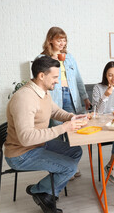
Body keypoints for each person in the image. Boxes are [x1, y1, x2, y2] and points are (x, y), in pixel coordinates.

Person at [5, 56, 84, 213]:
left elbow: (54, 111)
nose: (57, 81)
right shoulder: (25, 98)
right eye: (55, 77)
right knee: (70, 167)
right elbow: (26, 138)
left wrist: (72, 117)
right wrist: (64, 128)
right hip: (22, 154)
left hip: (37, 145)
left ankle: (49, 192)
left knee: (76, 151)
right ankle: (39, 191)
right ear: (41, 75)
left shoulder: (43, 92)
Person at [39, 27, 90, 179]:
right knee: (58, 132)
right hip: (54, 98)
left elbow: (78, 78)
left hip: (71, 96)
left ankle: (72, 166)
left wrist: (85, 97)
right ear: (50, 40)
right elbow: (40, 80)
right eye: (59, 40)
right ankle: (60, 167)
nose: (62, 43)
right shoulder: (42, 58)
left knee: (73, 131)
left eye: (64, 40)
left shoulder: (69, 57)